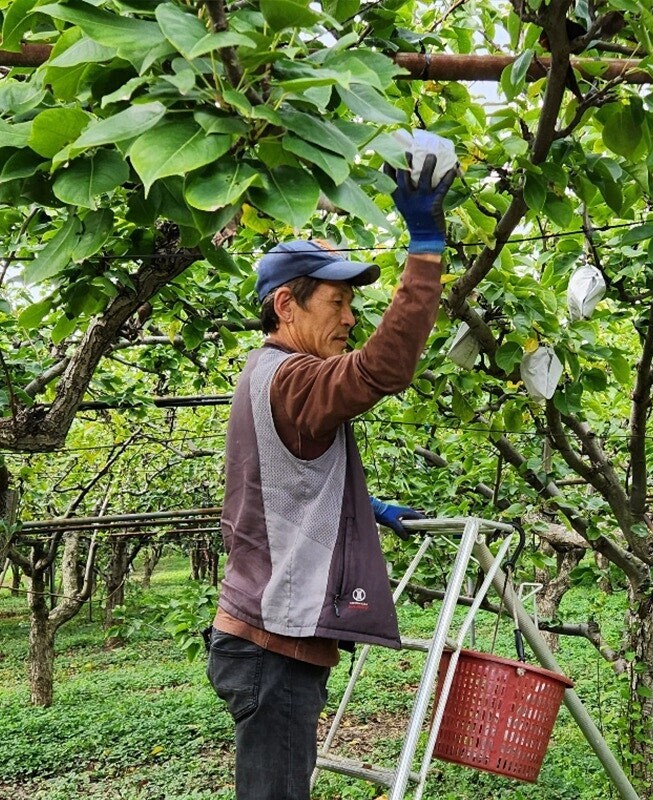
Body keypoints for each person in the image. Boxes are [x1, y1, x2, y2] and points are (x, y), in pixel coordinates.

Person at [206, 150, 458, 800]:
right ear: (287, 305)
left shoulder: (263, 376)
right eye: (339, 302)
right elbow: (383, 371)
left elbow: (277, 483)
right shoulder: (295, 381)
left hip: (259, 641)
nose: (351, 318)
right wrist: (425, 250)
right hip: (272, 650)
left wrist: (363, 506)